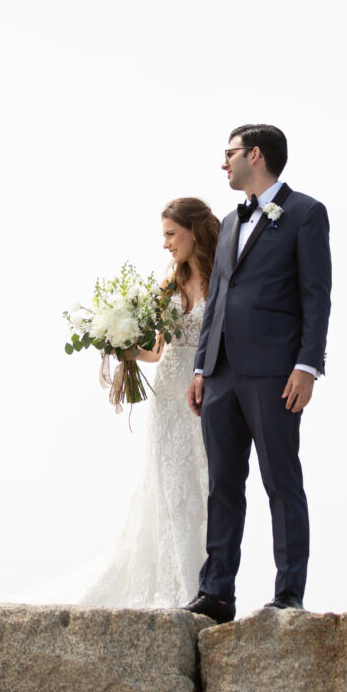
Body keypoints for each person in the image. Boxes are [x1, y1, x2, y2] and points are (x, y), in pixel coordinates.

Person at [184, 124, 331, 624]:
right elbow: (217, 301)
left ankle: (288, 593)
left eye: (228, 154)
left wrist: (307, 365)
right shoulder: (228, 221)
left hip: (275, 375)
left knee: (280, 481)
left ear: (255, 154)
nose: (222, 163)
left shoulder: (306, 214)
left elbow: (316, 296)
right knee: (222, 484)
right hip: (221, 375)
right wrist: (202, 366)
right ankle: (217, 592)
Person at [77, 197, 221, 608]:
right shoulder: (168, 284)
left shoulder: (220, 279)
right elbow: (158, 350)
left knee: (208, 488)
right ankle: (184, 592)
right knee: (172, 490)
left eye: (171, 235)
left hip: (208, 395)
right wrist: (124, 348)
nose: (165, 245)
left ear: (195, 232)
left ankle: (210, 586)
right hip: (169, 400)